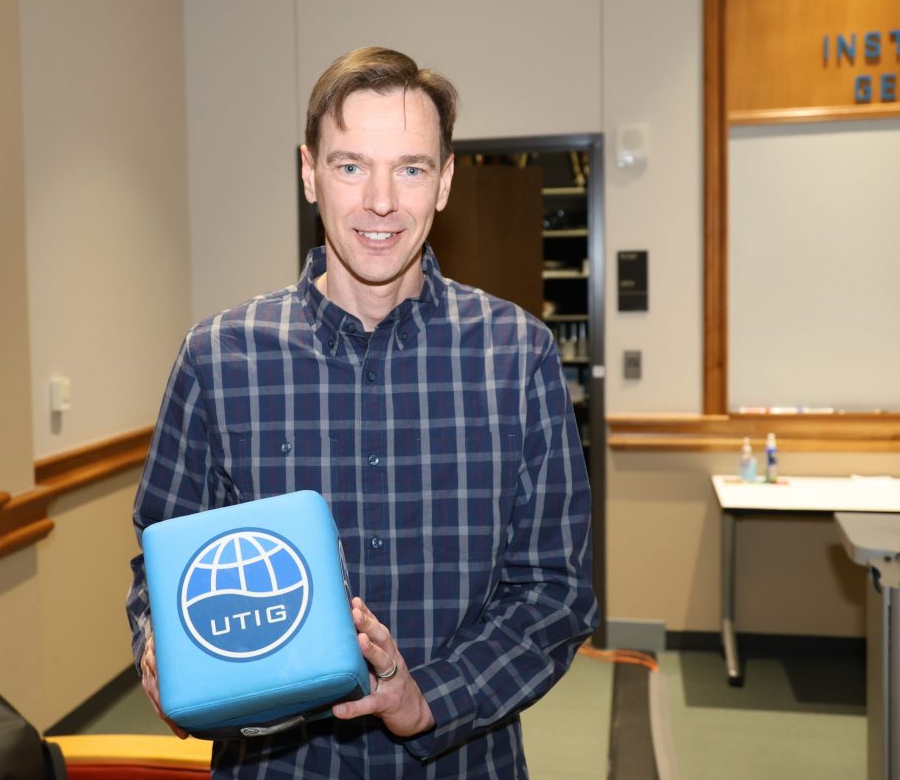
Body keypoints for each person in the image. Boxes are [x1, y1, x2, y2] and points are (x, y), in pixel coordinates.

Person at [126, 46, 597, 779]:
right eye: (351, 166)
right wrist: (163, 648)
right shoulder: (217, 359)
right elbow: (161, 566)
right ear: (309, 172)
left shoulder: (518, 355)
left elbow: (555, 594)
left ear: (443, 182)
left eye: (409, 168)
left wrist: (428, 697)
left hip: (463, 762)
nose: (381, 200)